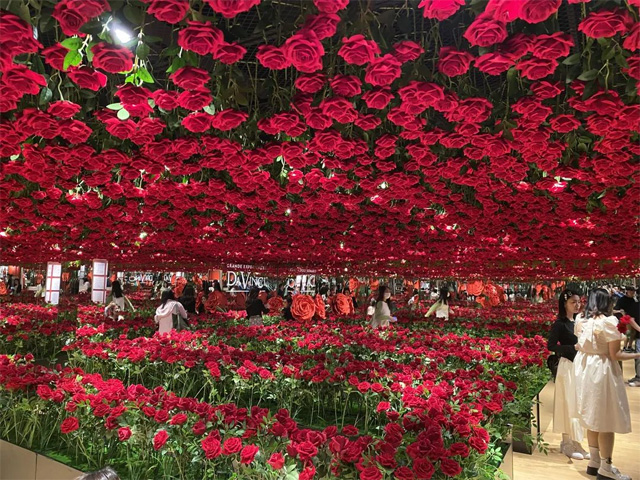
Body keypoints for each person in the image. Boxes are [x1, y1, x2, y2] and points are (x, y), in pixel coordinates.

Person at [573, 288, 640, 480]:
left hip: (585, 369)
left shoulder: (581, 319)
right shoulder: (609, 321)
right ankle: (606, 467)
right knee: (606, 420)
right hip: (602, 371)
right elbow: (614, 354)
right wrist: (637, 354)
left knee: (593, 417)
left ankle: (594, 462)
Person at [547, 289, 589, 460]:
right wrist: (571, 348)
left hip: (580, 366)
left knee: (579, 403)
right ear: (565, 304)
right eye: (573, 302)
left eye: (579, 302)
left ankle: (577, 441)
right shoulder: (560, 324)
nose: (577, 305)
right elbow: (551, 345)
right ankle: (566, 442)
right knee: (567, 402)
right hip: (567, 366)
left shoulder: (580, 322)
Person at [613, 286, 640, 384]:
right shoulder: (623, 300)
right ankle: (626, 346)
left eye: (633, 291)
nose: (632, 292)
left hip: (632, 323)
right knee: (628, 335)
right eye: (631, 291)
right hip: (625, 321)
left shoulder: (633, 301)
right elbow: (617, 310)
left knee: (631, 335)